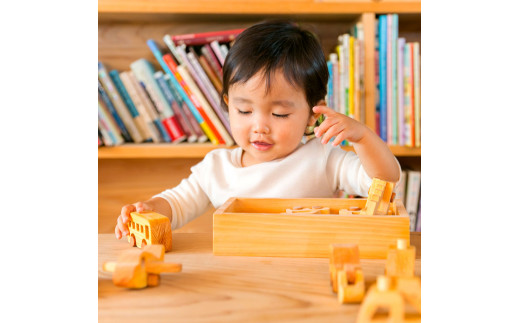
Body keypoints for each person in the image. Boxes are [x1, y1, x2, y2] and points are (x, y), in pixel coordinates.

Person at [115, 21, 401, 239]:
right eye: (244, 111)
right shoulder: (216, 168)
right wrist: (149, 209)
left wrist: (362, 138)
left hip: (306, 275)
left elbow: (385, 183)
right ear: (228, 105)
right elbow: (176, 204)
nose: (260, 126)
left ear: (313, 112)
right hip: (239, 278)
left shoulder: (324, 159)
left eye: (280, 113)